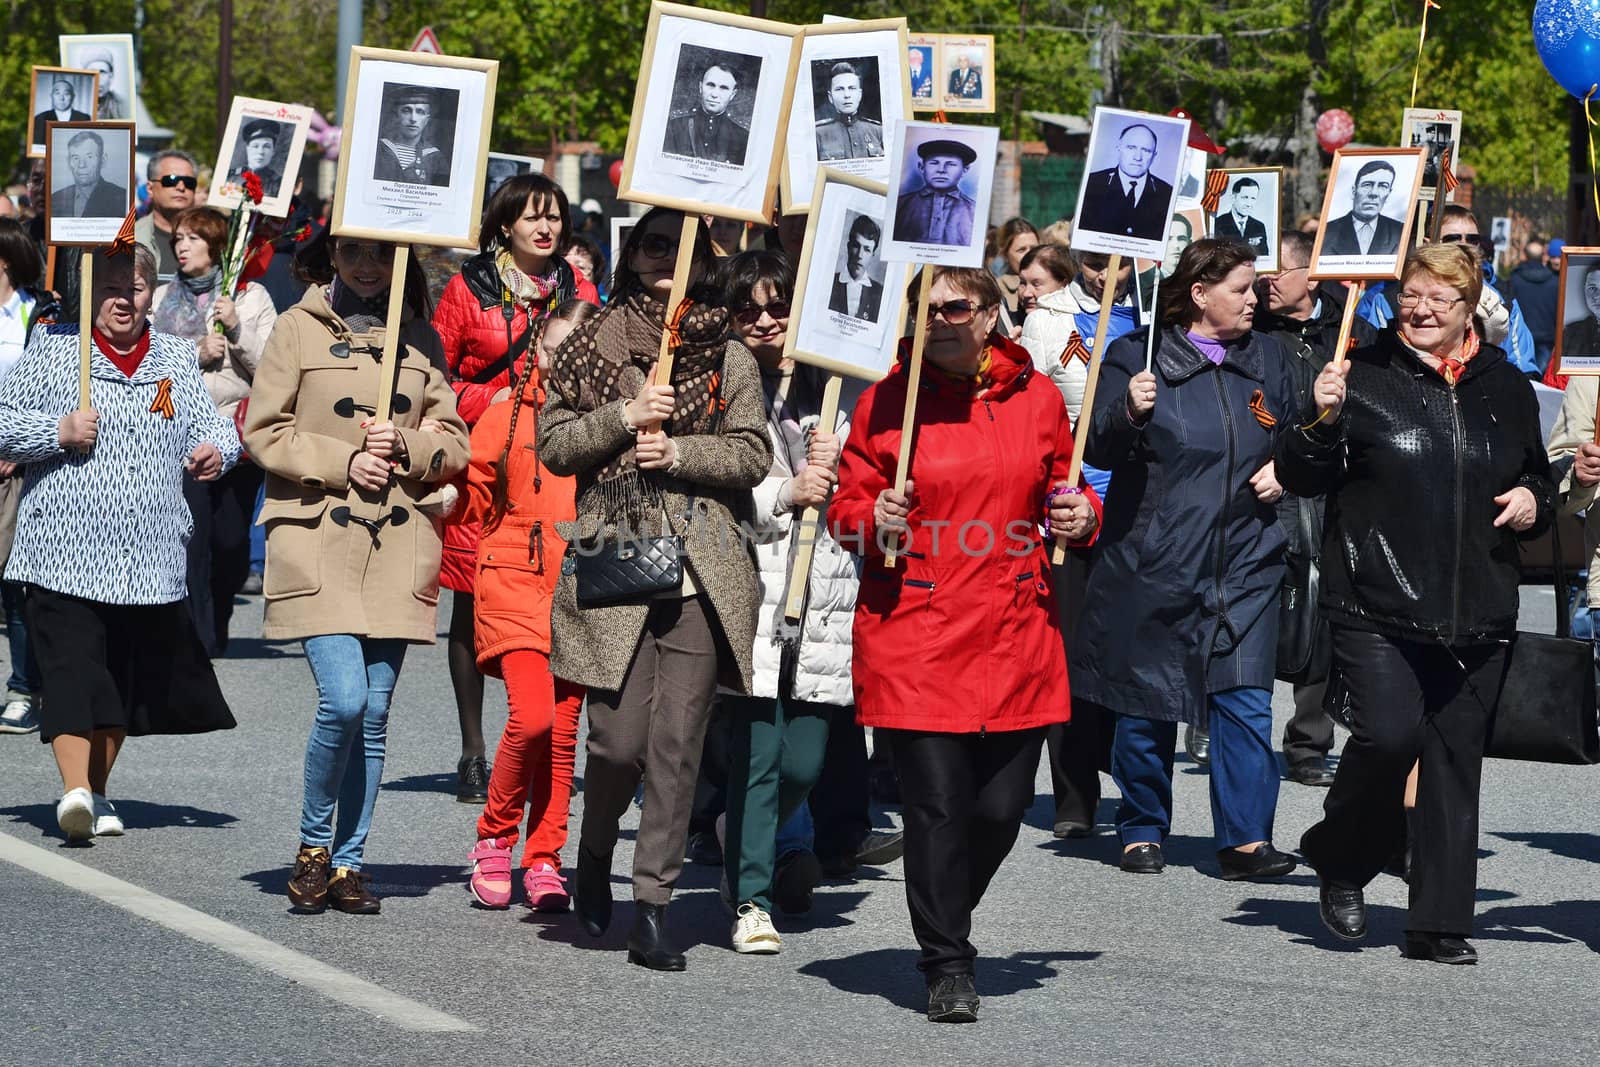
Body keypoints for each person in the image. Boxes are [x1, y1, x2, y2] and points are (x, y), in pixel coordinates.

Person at [829, 265, 1101, 1022]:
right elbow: (848, 504)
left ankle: (945, 901)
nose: (941, 318)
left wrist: (1081, 515)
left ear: (989, 315)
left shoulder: (1040, 397)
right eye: (927, 307)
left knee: (1000, 810)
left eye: (957, 306)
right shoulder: (889, 401)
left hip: (1015, 629)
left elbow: (1066, 488)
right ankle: (948, 959)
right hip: (916, 629)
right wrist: (872, 514)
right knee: (939, 807)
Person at [1277, 243, 1554, 964]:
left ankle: (1437, 922)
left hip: (1478, 603)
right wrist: (1318, 419)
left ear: (1471, 309)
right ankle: (1341, 856)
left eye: (1440, 298)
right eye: (1412, 295)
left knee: (1455, 760)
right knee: (1390, 737)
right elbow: (1299, 475)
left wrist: (1534, 498)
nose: (1421, 309)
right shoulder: (1359, 372)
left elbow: (1535, 481)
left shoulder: (1506, 384)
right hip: (1376, 597)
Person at [538, 207, 771, 971]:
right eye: (654, 243)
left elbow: (750, 456)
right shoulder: (588, 343)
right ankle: (596, 847)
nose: (668, 257)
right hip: (618, 553)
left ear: (706, 259)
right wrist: (623, 414)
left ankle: (653, 905)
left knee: (677, 745)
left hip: (705, 566)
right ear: (633, 254)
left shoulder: (730, 351)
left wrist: (679, 449)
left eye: (685, 246)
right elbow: (555, 445)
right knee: (617, 742)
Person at [246, 228, 470, 915]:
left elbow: (454, 442)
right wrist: (344, 461)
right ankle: (314, 848)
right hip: (316, 534)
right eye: (354, 254)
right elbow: (262, 429)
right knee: (342, 699)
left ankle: (347, 863)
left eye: (384, 255)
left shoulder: (421, 338)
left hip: (396, 541)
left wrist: (405, 444)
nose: (369, 267)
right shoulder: (294, 327)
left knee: (373, 714)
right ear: (332, 259)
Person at [1072, 239, 1299, 880]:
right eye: (1241, 289)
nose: (1255, 299)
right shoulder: (1135, 356)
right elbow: (1097, 446)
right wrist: (1126, 410)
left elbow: (1301, 434)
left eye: (1255, 288)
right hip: (1158, 557)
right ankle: (1142, 825)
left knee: (1247, 698)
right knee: (1148, 700)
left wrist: (1290, 463)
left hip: (1249, 559)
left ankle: (1247, 838)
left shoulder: (1270, 359)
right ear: (1199, 294)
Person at [0, 243, 240, 840]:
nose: (122, 299)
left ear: (150, 293)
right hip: (63, 552)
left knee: (120, 684)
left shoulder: (175, 360)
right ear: (90, 293)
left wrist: (218, 452)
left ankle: (97, 795)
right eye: (109, 286)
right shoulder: (55, 353)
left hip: (149, 557)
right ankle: (74, 790)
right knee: (72, 671)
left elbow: (214, 429)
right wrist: (56, 430)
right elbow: (3, 423)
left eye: (133, 287)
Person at [714, 250, 864, 953]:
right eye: (749, 309)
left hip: (825, 590)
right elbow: (711, 489)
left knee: (803, 761)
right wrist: (785, 491)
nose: (765, 320)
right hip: (752, 585)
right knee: (759, 755)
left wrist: (847, 460)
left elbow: (873, 480)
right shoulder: (714, 386)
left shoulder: (837, 386)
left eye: (778, 307)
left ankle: (741, 827)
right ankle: (751, 898)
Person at [431, 173, 598, 802]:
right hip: (487, 455)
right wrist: (490, 397)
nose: (545, 227)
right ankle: (475, 749)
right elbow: (437, 380)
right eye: (531, 217)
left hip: (554, 454)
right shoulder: (466, 289)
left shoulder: (578, 288)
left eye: (554, 216)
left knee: (551, 607)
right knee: (473, 602)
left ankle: (536, 740)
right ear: (505, 224)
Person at [460, 298, 597, 912]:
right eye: (557, 347)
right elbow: (471, 492)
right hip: (513, 578)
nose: (567, 361)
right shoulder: (507, 411)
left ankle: (544, 856)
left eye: (581, 349)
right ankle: (493, 838)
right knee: (533, 717)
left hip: (581, 587)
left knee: (564, 733)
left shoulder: (608, 420)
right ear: (538, 346)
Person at [1015, 243, 1135, 835]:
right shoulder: (1047, 319)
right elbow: (1030, 412)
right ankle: (1074, 794)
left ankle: (1136, 785)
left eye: (1116, 257)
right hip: (1075, 502)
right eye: (1093, 257)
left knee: (1129, 649)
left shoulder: (1158, 312)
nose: (1105, 268)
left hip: (1144, 507)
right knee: (1072, 650)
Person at [1256, 231, 1373, 788]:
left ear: (1312, 274)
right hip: (1266, 485)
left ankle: (1308, 741)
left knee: (1321, 612)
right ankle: (1222, 723)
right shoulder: (1251, 333)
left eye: (1279, 270)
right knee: (1256, 603)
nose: (1266, 281)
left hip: (1330, 492)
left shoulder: (1354, 333)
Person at [151, 206, 277, 656]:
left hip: (236, 436)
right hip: (179, 435)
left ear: (216, 246)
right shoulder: (160, 296)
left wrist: (238, 328)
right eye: (178, 238)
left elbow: (274, 370)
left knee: (230, 543)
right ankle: (195, 639)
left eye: (193, 238)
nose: (181, 246)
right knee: (193, 537)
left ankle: (219, 612)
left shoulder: (250, 296)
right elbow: (145, 359)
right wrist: (192, 352)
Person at [1356, 206, 1538, 375]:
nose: (1464, 245)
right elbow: (1373, 365)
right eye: (1453, 239)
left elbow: (1522, 370)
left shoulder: (1503, 303)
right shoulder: (1388, 300)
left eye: (1472, 239)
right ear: (1429, 242)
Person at [0, 219, 52, 736]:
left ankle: (23, 689)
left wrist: (20, 442)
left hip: (14, 465)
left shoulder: (41, 313)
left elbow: (49, 388)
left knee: (16, 584)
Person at [1078, 123, 1174, 242]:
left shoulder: (1167, 193)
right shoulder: (1092, 183)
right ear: (1119, 147)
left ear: (1154, 155)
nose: (1137, 157)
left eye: (1146, 150)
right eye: (1131, 148)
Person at [892, 139, 977, 247]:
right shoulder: (900, 205)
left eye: (951, 164)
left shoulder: (974, 211)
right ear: (921, 167)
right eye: (934, 163)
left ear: (965, 170)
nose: (941, 170)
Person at [663, 63, 750, 166]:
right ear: (700, 87)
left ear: (732, 94)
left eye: (724, 88)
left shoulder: (743, 135)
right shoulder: (674, 124)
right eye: (710, 85)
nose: (714, 94)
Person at [135, 150, 200, 284]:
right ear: (150, 189)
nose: (181, 187)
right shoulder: (129, 238)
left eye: (189, 182)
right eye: (171, 180)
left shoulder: (212, 240)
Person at [1320, 160, 1404, 257]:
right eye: (1367, 185)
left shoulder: (1400, 231)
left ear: (1389, 193)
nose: (1374, 193)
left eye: (1382, 186)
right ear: (1354, 191)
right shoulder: (1327, 232)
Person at [375, 87, 448, 185]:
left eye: (420, 112)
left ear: (426, 120)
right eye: (406, 110)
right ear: (397, 116)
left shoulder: (435, 158)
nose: (413, 119)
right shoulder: (379, 150)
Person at [814, 62, 884, 161]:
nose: (847, 95)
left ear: (859, 94)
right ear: (830, 97)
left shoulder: (878, 131)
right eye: (839, 89)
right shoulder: (818, 134)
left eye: (852, 88)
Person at [52, 130, 128, 219]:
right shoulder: (55, 199)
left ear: (103, 160)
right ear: (69, 162)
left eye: (89, 157)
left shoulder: (121, 199)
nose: (81, 165)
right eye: (76, 158)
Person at [1509, 237, 1558, 371]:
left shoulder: (1515, 279)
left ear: (1525, 255)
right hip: (1546, 339)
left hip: (1520, 338)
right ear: (1543, 256)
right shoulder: (1555, 281)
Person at [827, 215, 883, 321]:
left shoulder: (879, 293)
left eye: (867, 250)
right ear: (848, 247)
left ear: (872, 255)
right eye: (856, 246)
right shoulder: (829, 283)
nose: (860, 255)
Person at [993, 217, 1039, 327]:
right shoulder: (996, 290)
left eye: (1034, 248)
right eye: (1021, 250)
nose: (1030, 255)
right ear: (1005, 254)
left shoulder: (1054, 285)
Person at [1213, 177, 1270, 261]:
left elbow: (1264, 258)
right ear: (1233, 198)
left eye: (1253, 198)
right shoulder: (1217, 224)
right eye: (1245, 197)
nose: (1249, 204)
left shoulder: (1259, 226)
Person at [227, 120, 284, 200]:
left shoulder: (279, 184)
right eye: (255, 146)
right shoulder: (231, 178)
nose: (260, 152)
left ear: (273, 151)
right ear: (247, 149)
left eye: (266, 146)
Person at [32, 77, 91, 146]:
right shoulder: (40, 118)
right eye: (57, 93)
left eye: (66, 94)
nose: (61, 98)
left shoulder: (84, 118)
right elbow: (37, 146)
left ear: (73, 97)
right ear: (51, 96)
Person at [76, 47, 129, 120]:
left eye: (102, 72)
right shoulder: (75, 105)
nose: (98, 78)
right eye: (92, 72)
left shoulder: (122, 105)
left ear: (111, 76)